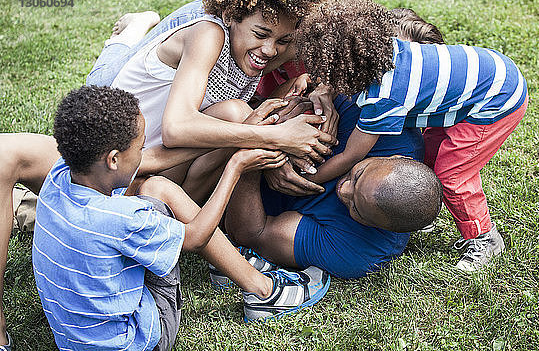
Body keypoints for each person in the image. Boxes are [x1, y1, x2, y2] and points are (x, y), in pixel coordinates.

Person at [33, 86, 330, 350]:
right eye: (139, 147)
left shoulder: (60, 174)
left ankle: (227, 264)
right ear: (112, 159)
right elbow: (196, 236)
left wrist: (241, 133)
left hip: (74, 339)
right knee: (161, 188)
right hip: (134, 340)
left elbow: (152, 161)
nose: (143, 153)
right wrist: (235, 165)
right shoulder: (122, 221)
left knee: (154, 185)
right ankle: (265, 292)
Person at [295, 0, 528, 271]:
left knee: (451, 173)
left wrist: (306, 181)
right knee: (429, 153)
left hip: (497, 99)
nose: (322, 77)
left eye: (327, 73)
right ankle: (418, 208)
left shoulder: (383, 97)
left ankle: (484, 237)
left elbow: (350, 155)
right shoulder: (381, 49)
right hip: (487, 74)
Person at [86, 0, 337, 199]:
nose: (271, 50)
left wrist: (324, 88)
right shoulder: (209, 34)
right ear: (230, 16)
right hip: (127, 138)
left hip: (160, 156)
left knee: (235, 115)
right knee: (101, 81)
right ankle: (133, 29)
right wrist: (276, 138)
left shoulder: (271, 45)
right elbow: (176, 129)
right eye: (260, 34)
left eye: (283, 40)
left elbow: (339, 51)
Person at [221, 94, 442, 279]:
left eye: (355, 208)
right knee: (236, 112)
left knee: (238, 117)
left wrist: (256, 161)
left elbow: (252, 233)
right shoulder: (390, 133)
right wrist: (291, 124)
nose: (343, 190)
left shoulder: (359, 250)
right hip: (239, 121)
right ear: (393, 157)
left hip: (222, 193)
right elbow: (316, 94)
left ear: (379, 227)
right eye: (358, 175)